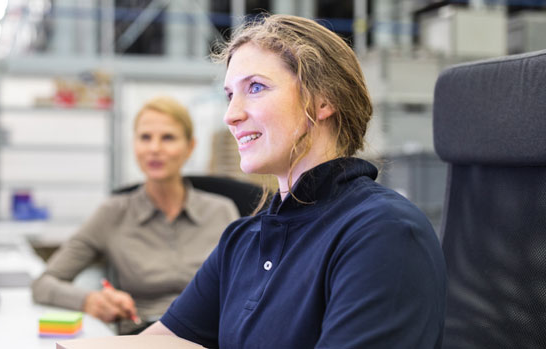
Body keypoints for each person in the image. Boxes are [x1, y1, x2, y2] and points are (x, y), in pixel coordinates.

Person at [142, 14, 447, 348]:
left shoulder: (384, 231)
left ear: (323, 100)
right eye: (230, 95)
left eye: (255, 88)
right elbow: (165, 339)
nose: (231, 115)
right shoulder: (242, 240)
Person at [31, 96, 240, 335]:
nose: (154, 148)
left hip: (213, 335)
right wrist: (89, 300)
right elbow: (43, 284)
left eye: (168, 138)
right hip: (144, 333)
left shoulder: (222, 211)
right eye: (145, 138)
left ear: (190, 147)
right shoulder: (112, 214)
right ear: (134, 145)